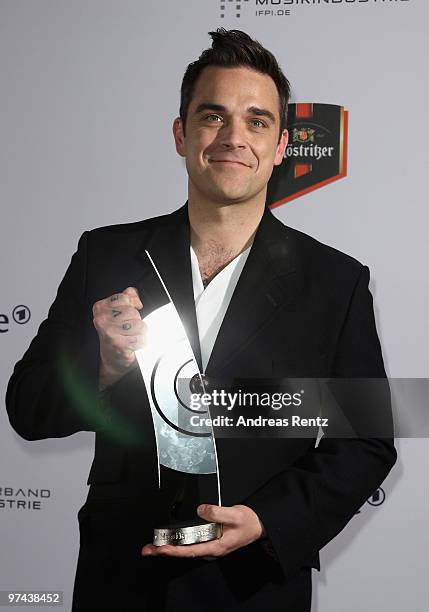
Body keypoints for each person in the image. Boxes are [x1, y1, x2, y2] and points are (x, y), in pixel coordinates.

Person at [6, 28, 396, 611]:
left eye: (257, 121)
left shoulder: (335, 282)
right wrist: (105, 366)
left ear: (283, 143)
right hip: (120, 579)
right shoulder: (105, 254)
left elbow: (366, 441)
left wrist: (268, 521)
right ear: (181, 132)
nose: (234, 137)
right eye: (213, 116)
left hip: (253, 586)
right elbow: (28, 408)